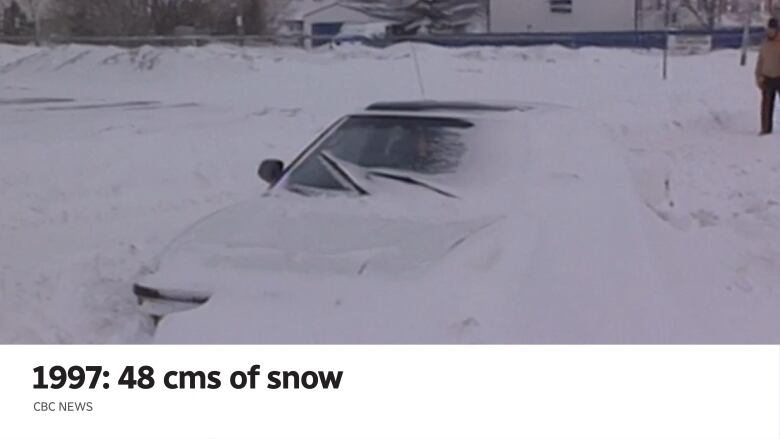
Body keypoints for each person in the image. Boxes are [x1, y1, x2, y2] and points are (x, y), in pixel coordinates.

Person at [756, 18, 780, 135]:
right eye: (769, 29)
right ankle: (766, 129)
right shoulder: (765, 43)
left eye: (773, 29)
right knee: (766, 106)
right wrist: (758, 76)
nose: (771, 31)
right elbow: (760, 60)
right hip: (767, 77)